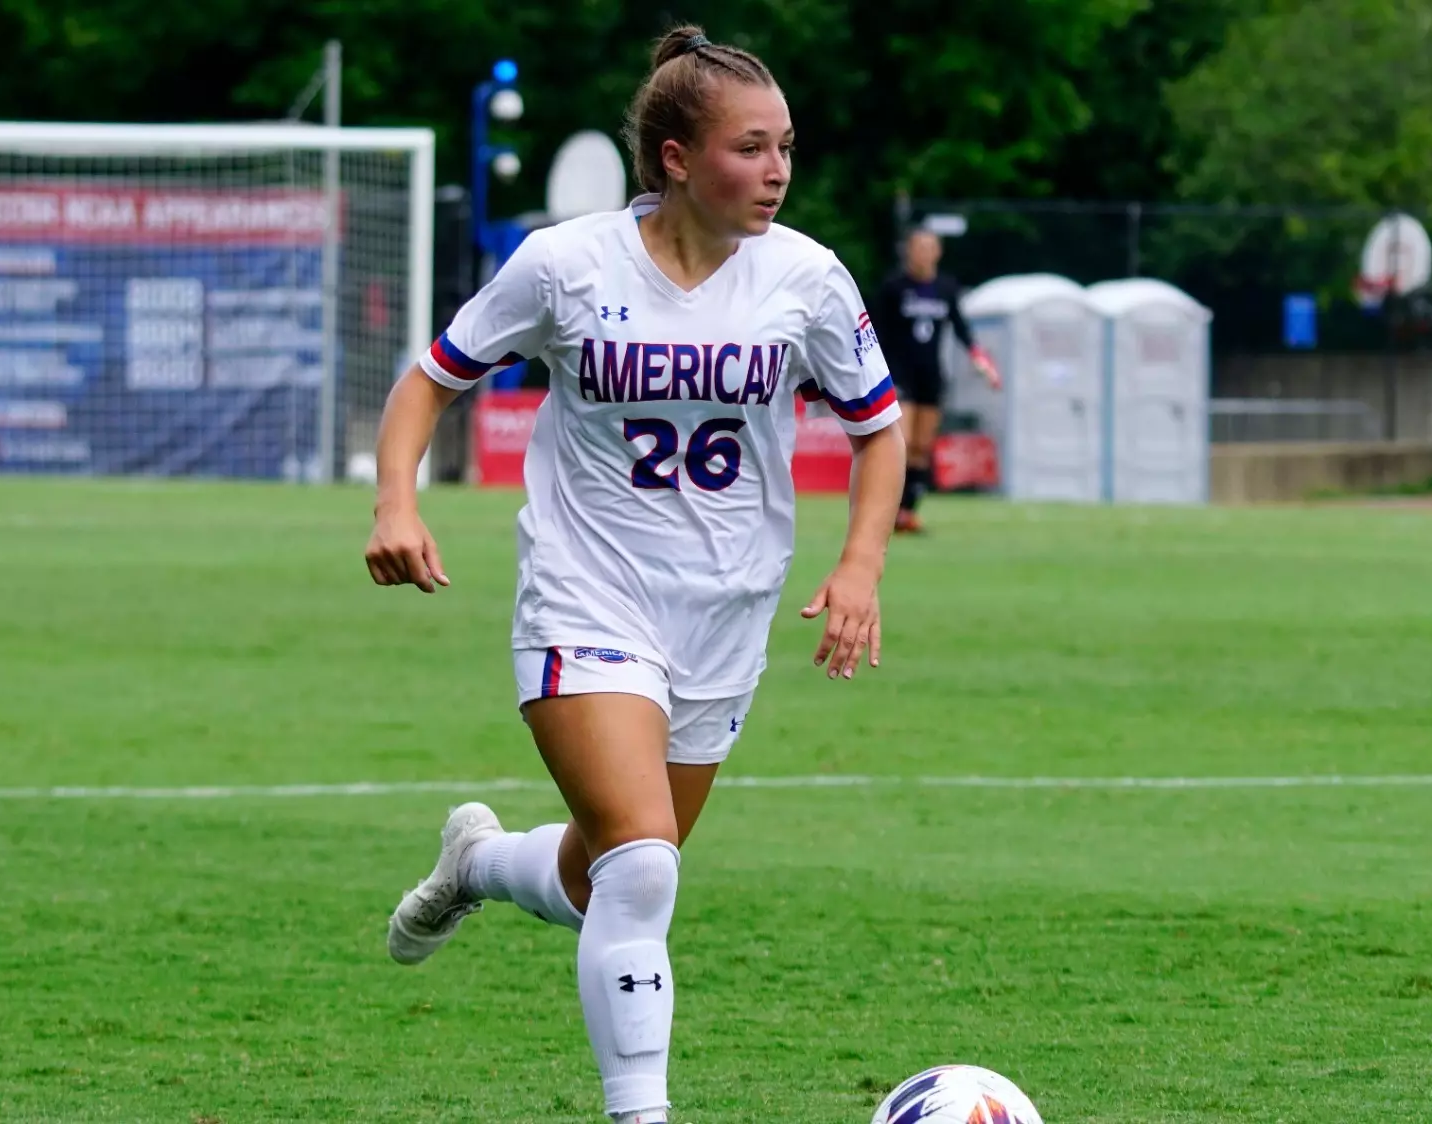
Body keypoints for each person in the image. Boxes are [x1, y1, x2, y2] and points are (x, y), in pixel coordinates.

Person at [362, 25, 905, 1124]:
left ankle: (476, 863)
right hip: (585, 594)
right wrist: (395, 501)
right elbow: (430, 379)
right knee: (645, 868)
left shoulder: (805, 276)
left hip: (725, 611)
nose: (777, 170)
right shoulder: (566, 265)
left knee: (597, 874)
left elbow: (878, 427)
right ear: (673, 157)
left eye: (785, 146)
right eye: (750, 148)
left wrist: (858, 567)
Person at [869, 227, 1000, 533]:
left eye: (930, 247)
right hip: (899, 374)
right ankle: (885, 510)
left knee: (921, 447)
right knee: (901, 442)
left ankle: (907, 512)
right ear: (909, 251)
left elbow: (961, 327)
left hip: (931, 374)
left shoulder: (946, 287)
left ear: (938, 252)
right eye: (918, 247)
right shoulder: (894, 287)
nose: (924, 253)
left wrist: (981, 361)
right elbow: (875, 332)